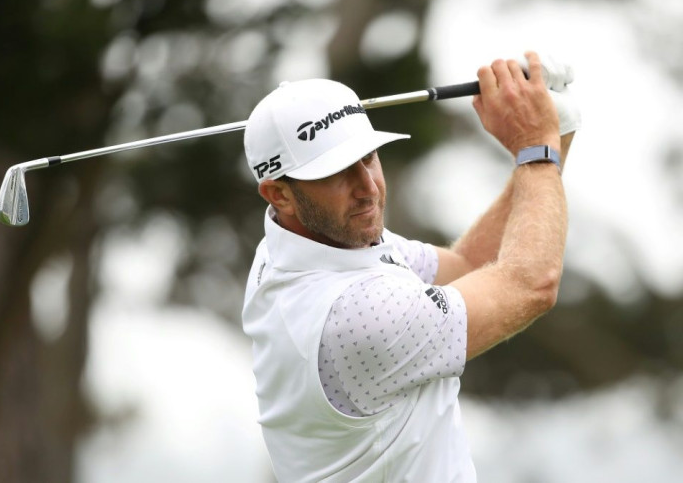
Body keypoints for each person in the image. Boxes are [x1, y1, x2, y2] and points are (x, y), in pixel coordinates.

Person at [241, 51, 579, 482]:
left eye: (368, 157)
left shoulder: (303, 247)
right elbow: (532, 284)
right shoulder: (354, 315)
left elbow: (469, 264)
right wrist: (536, 148)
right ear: (279, 194)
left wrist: (554, 136)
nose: (368, 188)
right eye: (336, 173)